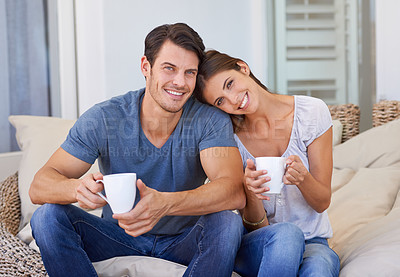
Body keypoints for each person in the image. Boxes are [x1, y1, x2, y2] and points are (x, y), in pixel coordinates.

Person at [29, 24, 246, 277]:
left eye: (189, 72)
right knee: (47, 217)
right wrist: (76, 189)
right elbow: (39, 186)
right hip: (117, 238)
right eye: (169, 68)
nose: (179, 82)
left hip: (184, 240)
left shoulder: (208, 120)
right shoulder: (104, 118)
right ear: (146, 67)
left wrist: (165, 204)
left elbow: (233, 191)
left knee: (228, 223)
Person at [194, 50, 340, 277]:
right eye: (220, 101)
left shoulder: (312, 113)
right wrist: (251, 194)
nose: (233, 100)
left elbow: (322, 202)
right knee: (286, 239)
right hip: (261, 244)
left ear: (243, 68)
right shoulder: (229, 139)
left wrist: (303, 179)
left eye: (230, 84)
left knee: (319, 269)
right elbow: (255, 227)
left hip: (313, 241)